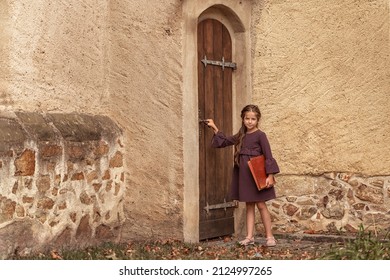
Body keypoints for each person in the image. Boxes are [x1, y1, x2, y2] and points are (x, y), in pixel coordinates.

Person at [205, 104, 280, 247]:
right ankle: (249, 236)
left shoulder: (261, 135)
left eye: (253, 119)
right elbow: (226, 141)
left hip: (257, 176)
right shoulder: (241, 135)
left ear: (257, 120)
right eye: (247, 118)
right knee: (249, 205)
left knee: (261, 205)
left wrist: (270, 176)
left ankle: (270, 236)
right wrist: (214, 127)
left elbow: (268, 156)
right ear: (243, 119)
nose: (250, 121)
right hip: (244, 176)